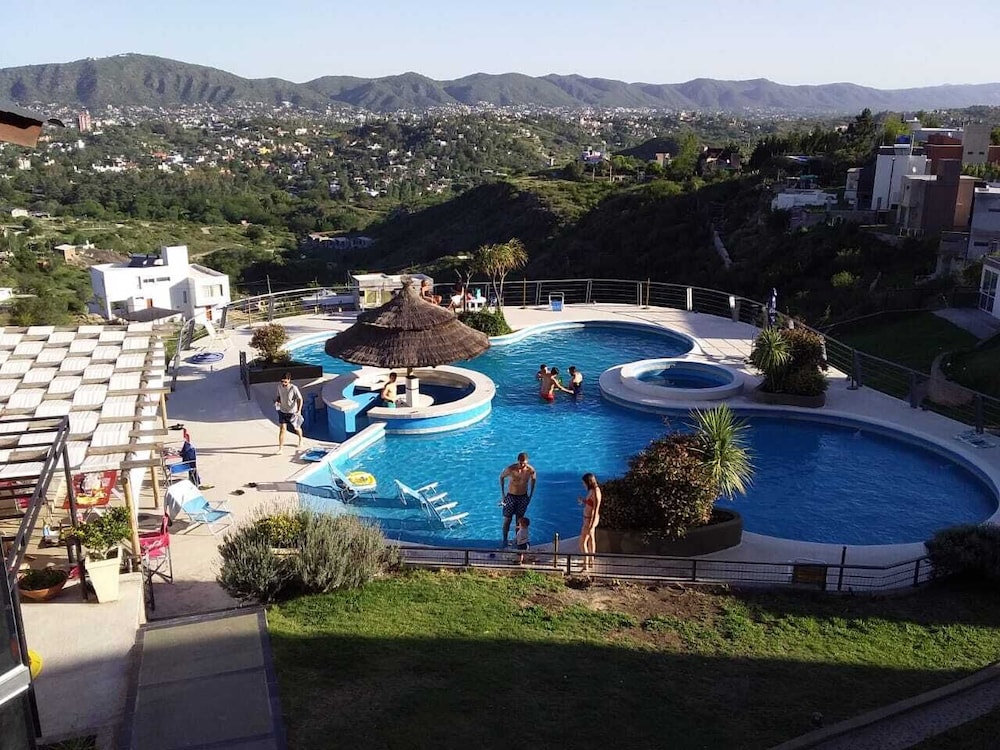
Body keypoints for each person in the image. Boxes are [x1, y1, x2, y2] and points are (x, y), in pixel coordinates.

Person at [499, 452, 536, 546]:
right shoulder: (511, 469)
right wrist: (503, 495)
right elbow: (501, 477)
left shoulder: (530, 470)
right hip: (511, 496)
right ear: (518, 461)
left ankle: (518, 540)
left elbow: (533, 481)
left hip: (523, 496)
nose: (522, 465)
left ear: (527, 462)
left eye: (524, 464)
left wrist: (530, 496)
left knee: (520, 521)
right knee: (507, 519)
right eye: (520, 463)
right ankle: (505, 540)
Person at [578, 473, 602, 572]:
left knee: (582, 542)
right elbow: (590, 503)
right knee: (591, 539)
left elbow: (595, 509)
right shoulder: (592, 490)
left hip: (590, 520)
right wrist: (583, 501)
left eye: (584, 483)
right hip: (588, 519)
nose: (583, 485)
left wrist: (591, 525)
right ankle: (591, 560)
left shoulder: (596, 492)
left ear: (588, 482)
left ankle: (585, 564)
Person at [274, 373, 304, 453]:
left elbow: (300, 399)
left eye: (285, 382)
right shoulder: (279, 387)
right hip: (283, 411)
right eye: (282, 381)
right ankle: (280, 448)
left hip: (292, 412)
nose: (283, 384)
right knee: (282, 429)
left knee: (296, 428)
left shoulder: (293, 388)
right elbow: (278, 396)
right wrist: (277, 402)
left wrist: (299, 410)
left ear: (289, 380)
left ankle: (301, 439)